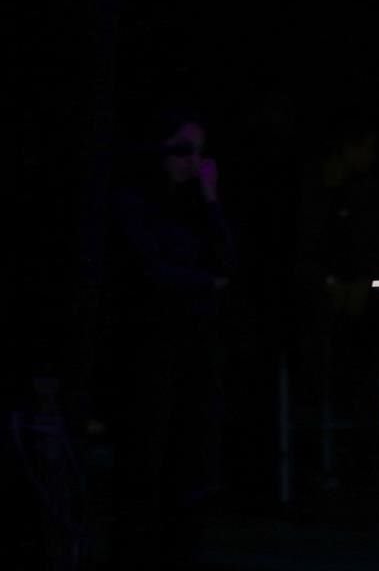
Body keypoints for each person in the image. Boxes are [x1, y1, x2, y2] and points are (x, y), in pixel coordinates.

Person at [102, 112, 236, 569]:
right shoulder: (136, 200)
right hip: (148, 343)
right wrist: (203, 284)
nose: (190, 161)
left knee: (189, 455)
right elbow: (151, 271)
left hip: (193, 346)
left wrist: (210, 197)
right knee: (145, 453)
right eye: (181, 150)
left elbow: (226, 264)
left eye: (197, 152)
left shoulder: (196, 206)